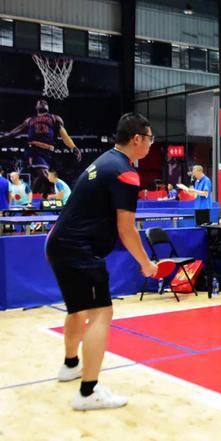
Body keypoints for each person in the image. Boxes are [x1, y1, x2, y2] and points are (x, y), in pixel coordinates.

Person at [45, 112, 158, 410]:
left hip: (58, 244)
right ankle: (88, 392)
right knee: (101, 314)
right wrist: (146, 263)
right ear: (137, 139)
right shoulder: (126, 173)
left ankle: (70, 365)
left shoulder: (104, 161)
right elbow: (126, 229)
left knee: (78, 309)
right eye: (150, 138)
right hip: (79, 249)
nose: (151, 144)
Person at [1, 99, 81, 196]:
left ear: (48, 107)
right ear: (36, 107)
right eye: (40, 102)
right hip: (35, 150)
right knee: (45, 176)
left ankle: (33, 199)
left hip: (48, 152)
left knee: (43, 180)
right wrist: (5, 137)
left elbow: (65, 136)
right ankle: (48, 199)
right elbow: (16, 131)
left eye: (45, 102)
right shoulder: (30, 120)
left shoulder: (55, 118)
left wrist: (74, 148)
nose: (43, 102)